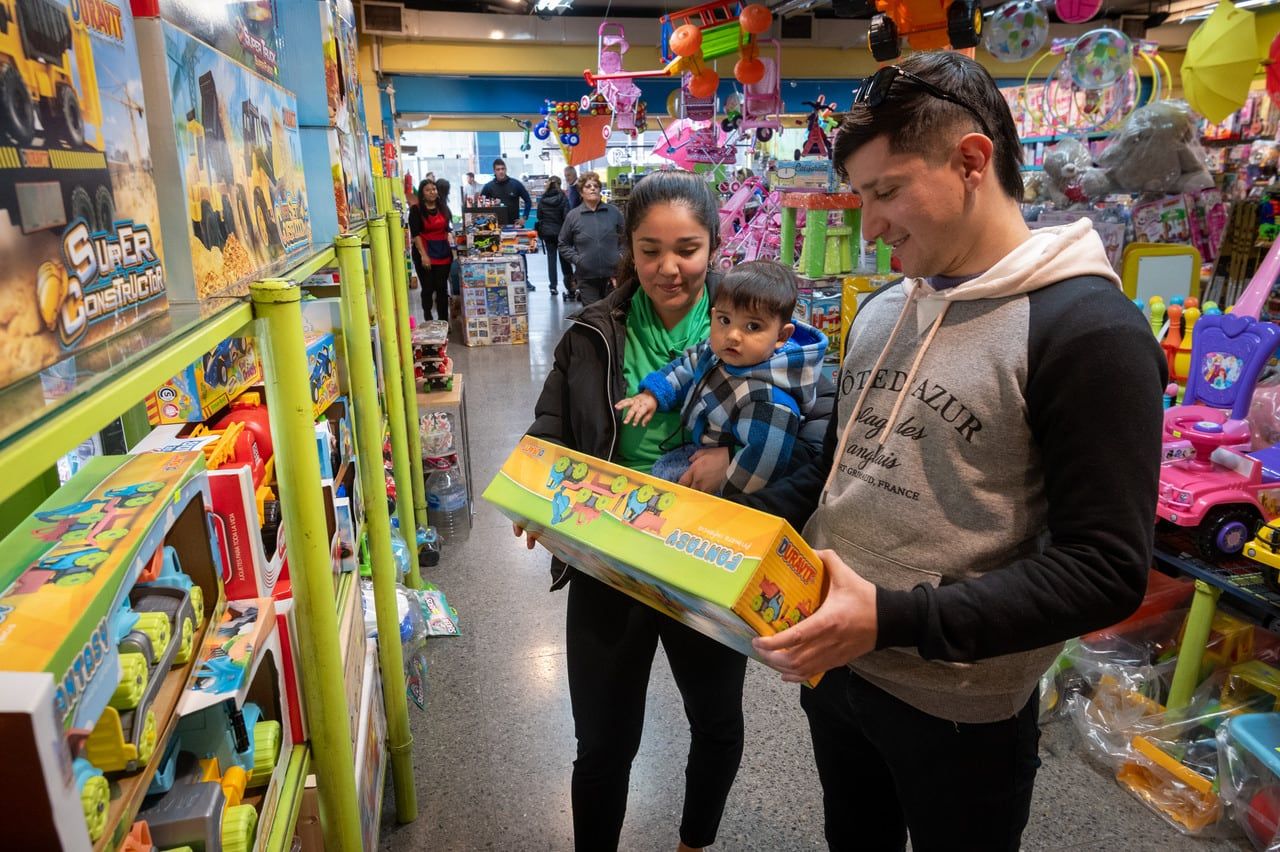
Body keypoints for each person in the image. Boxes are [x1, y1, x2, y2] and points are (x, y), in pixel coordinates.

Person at [743, 52, 1166, 851]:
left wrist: (892, 619)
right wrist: (698, 527)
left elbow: (1106, 568)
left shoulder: (1088, 331)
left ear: (972, 161)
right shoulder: (882, 311)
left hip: (961, 712)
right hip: (836, 671)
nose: (869, 225)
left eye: (887, 191)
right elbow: (832, 473)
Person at [519, 170, 833, 852]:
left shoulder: (756, 322)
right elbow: (552, 419)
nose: (669, 267)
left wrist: (735, 472)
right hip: (609, 550)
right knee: (602, 740)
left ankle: (695, 843)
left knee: (716, 721)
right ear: (627, 249)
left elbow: (817, 443)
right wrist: (533, 487)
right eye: (650, 249)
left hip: (708, 552)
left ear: (715, 245)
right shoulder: (593, 332)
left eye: (687, 248)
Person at [615, 260, 827, 496]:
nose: (733, 335)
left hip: (732, 480)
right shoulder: (721, 354)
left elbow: (762, 464)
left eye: (753, 326)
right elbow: (688, 365)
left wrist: (721, 499)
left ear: (781, 336)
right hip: (699, 446)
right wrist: (652, 394)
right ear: (714, 315)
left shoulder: (770, 399)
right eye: (725, 320)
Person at [557, 171, 623, 306]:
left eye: (596, 186)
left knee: (614, 316)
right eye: (588, 186)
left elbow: (627, 239)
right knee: (593, 317)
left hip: (613, 277)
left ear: (600, 190)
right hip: (587, 278)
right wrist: (577, 259)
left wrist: (621, 258)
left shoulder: (614, 212)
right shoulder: (573, 216)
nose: (593, 188)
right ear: (581, 192)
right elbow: (563, 244)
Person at [413, 178, 453, 322]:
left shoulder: (443, 207)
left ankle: (444, 320)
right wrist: (423, 255)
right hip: (424, 253)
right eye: (428, 190)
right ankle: (428, 316)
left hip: (443, 253)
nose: (432, 192)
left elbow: (447, 228)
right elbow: (415, 234)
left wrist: (451, 237)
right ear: (422, 194)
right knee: (428, 288)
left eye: (434, 189)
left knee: (442, 288)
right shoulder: (416, 210)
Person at [536, 176, 573, 296]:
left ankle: (553, 287)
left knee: (551, 260)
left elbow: (539, 215)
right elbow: (567, 216)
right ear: (560, 184)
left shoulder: (543, 199)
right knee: (565, 261)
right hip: (561, 233)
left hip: (547, 233)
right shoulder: (563, 198)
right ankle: (570, 287)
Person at [481, 158, 532, 227]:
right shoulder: (488, 187)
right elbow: (481, 204)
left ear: (506, 169)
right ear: (494, 171)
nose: (501, 171)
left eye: (503, 169)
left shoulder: (516, 184)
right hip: (495, 227)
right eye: (498, 169)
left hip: (515, 225)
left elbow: (528, 201)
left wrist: (524, 217)